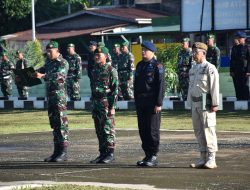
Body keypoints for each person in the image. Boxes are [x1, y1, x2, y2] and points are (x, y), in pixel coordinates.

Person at [34, 41, 69, 162]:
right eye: (47, 51)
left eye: (50, 51)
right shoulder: (48, 62)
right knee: (54, 125)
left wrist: (42, 76)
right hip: (50, 97)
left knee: (61, 124)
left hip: (59, 98)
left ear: (57, 50)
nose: (48, 53)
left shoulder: (63, 63)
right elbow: (39, 71)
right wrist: (27, 73)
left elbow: (59, 76)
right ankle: (56, 152)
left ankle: (63, 152)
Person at [187, 42, 219, 169]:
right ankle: (203, 157)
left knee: (209, 129)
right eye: (193, 52)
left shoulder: (210, 68)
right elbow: (190, 87)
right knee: (198, 131)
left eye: (196, 52)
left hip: (206, 102)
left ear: (203, 53)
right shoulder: (193, 69)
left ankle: (212, 158)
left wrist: (215, 104)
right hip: (195, 103)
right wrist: (189, 103)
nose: (193, 54)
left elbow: (214, 87)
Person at [134, 41, 165, 167]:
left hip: (152, 103)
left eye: (145, 50)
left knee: (152, 130)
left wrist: (158, 103)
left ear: (152, 52)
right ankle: (147, 155)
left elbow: (161, 86)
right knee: (143, 130)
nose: (143, 52)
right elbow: (136, 85)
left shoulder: (158, 66)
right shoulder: (140, 65)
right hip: (141, 103)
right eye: (142, 49)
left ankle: (153, 155)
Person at [90, 46, 118, 164]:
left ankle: (110, 153)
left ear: (105, 56)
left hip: (106, 103)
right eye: (95, 55)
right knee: (99, 130)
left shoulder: (111, 70)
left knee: (108, 129)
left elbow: (115, 90)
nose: (96, 57)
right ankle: (102, 153)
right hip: (96, 104)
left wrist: (112, 107)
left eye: (99, 55)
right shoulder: (94, 70)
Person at [230, 31, 250, 100]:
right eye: (237, 37)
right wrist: (231, 71)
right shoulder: (234, 48)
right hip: (236, 71)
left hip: (244, 71)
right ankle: (239, 100)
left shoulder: (247, 48)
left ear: (243, 38)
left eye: (239, 38)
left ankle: (247, 101)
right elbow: (232, 60)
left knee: (245, 86)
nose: (237, 39)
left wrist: (248, 71)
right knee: (237, 86)